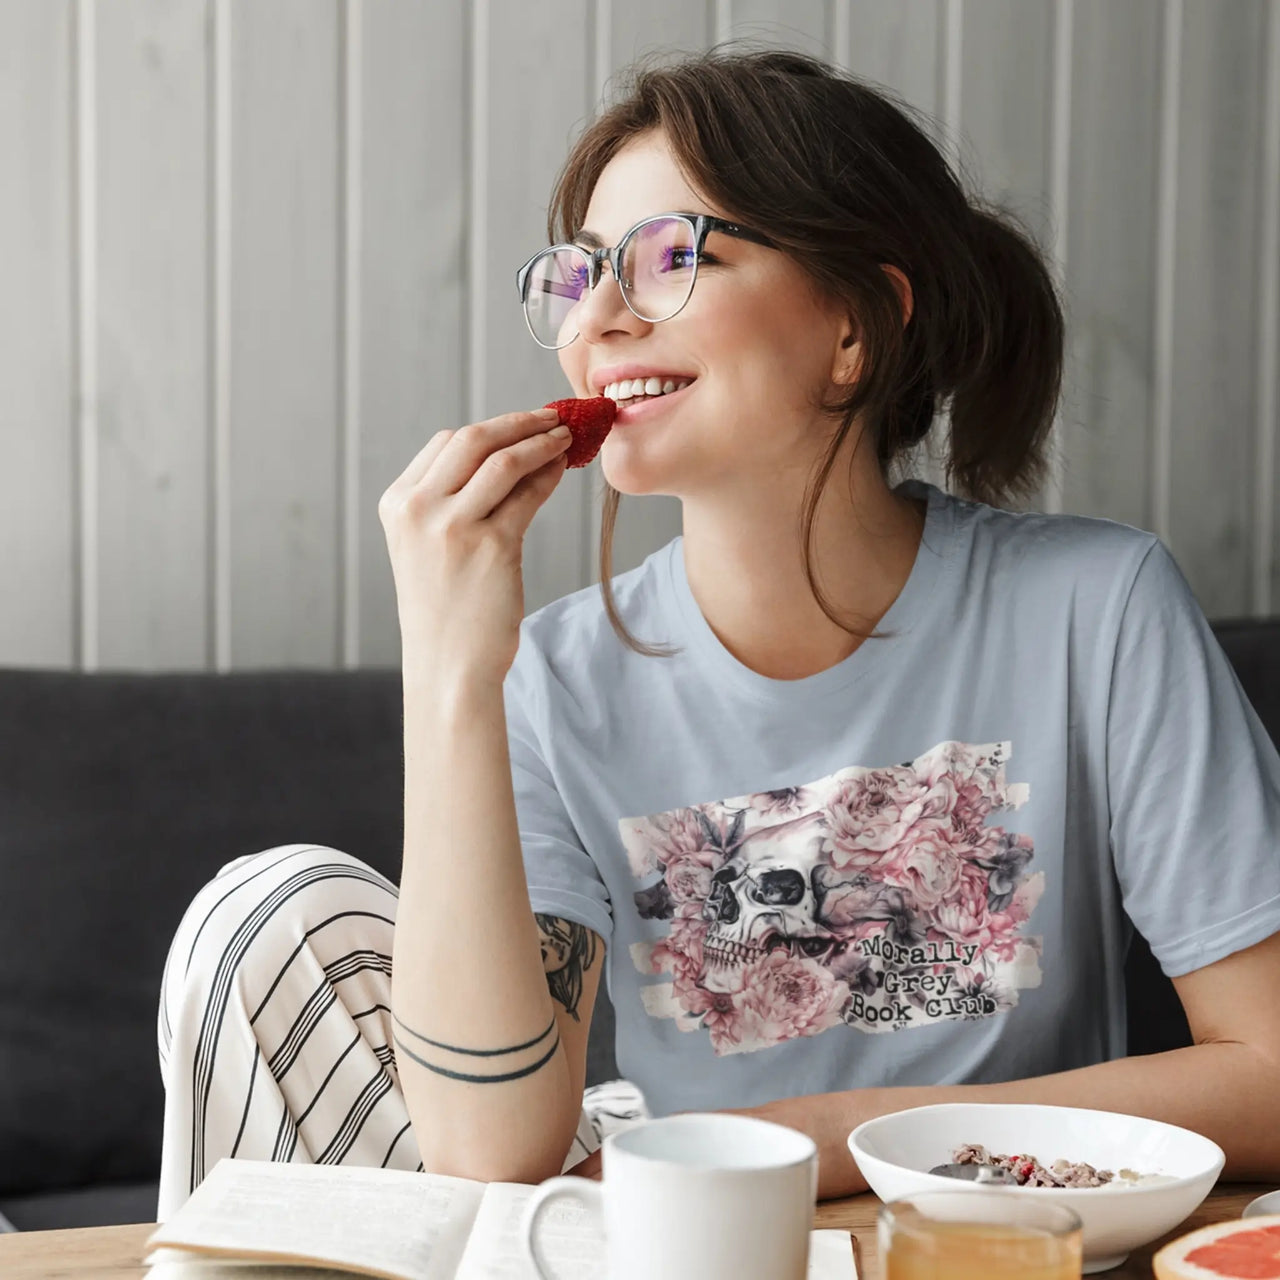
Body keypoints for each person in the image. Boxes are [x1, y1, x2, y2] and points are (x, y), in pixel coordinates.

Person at [156, 47, 1280, 1219]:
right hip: (693, 1231)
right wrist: (449, 669)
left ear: (854, 324)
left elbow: (1265, 1065)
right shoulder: (553, 679)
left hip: (990, 1231)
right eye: (583, 273)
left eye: (667, 258)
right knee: (265, 909)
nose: (593, 319)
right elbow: (492, 1146)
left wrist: (806, 1139)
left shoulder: (1095, 608)